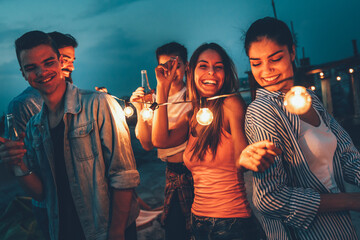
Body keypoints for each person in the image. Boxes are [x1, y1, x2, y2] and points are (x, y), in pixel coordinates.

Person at [0, 30, 140, 240]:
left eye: (48, 62)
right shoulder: (33, 127)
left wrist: (117, 231)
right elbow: (40, 193)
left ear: (60, 62)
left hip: (105, 230)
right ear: (23, 73)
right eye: (31, 68)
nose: (42, 72)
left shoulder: (99, 104)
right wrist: (19, 164)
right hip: (63, 230)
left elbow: (123, 175)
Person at [243, 17, 360, 239]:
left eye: (275, 58)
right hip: (304, 233)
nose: (266, 71)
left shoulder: (311, 99)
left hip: (341, 229)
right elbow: (269, 198)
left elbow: (347, 155)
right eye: (256, 63)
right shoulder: (262, 110)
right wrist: (352, 200)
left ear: (292, 52)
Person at [152, 42, 279, 239]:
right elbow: (160, 140)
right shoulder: (194, 115)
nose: (211, 72)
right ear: (191, 71)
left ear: (225, 73)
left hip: (232, 223)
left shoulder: (231, 104)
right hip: (197, 221)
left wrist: (253, 157)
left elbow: (241, 160)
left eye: (218, 67)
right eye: (203, 66)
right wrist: (162, 87)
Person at [4, 31, 78, 240]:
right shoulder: (25, 105)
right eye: (64, 59)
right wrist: (16, 162)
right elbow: (31, 171)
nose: (69, 65)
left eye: (49, 63)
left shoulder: (90, 103)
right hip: (51, 205)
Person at [130, 42, 194, 240]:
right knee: (174, 231)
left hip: (193, 174)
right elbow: (147, 144)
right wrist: (140, 109)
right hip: (171, 174)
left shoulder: (192, 97)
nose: (171, 71)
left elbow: (162, 140)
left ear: (186, 66)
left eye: (176, 65)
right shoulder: (156, 100)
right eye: (165, 66)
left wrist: (161, 90)